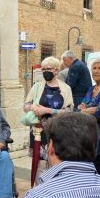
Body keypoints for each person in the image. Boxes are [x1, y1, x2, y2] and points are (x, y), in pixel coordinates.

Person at [24, 56, 73, 185]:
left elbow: (69, 111)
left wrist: (48, 110)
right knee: (39, 166)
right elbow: (25, 106)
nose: (45, 71)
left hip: (58, 132)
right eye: (43, 69)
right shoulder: (37, 87)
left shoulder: (66, 88)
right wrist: (32, 107)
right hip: (39, 133)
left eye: (49, 69)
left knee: (56, 164)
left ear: (56, 70)